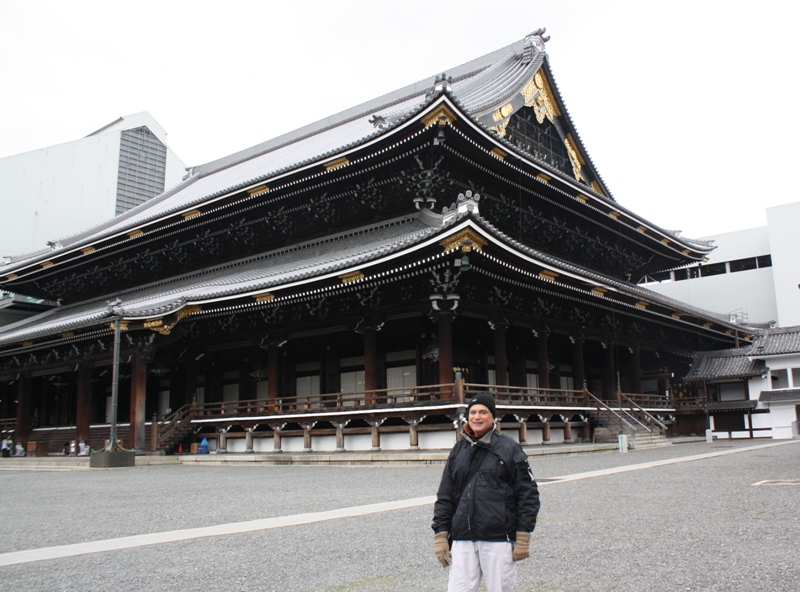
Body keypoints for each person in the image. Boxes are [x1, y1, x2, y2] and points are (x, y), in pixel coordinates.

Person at [432, 393, 540, 592]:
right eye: (472, 412)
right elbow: (446, 494)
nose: (477, 417)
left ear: (493, 417)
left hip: (498, 536)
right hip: (462, 536)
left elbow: (528, 493)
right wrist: (441, 534)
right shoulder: (458, 450)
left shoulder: (509, 448)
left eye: (483, 412)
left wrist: (523, 534)